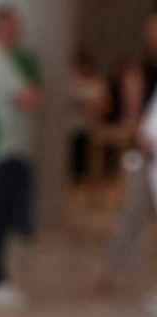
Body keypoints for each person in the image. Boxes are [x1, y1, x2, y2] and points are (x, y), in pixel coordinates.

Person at [0, 5, 43, 309]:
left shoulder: (6, 59)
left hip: (7, 149)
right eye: (12, 26)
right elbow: (30, 98)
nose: (18, 32)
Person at [95, 13, 157, 301]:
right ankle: (108, 269)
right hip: (144, 155)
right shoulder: (139, 72)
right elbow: (133, 120)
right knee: (132, 212)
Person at [67, 50, 106, 184]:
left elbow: (103, 106)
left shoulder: (96, 83)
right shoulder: (70, 83)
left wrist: (87, 108)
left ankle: (82, 178)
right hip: (70, 126)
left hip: (88, 126)